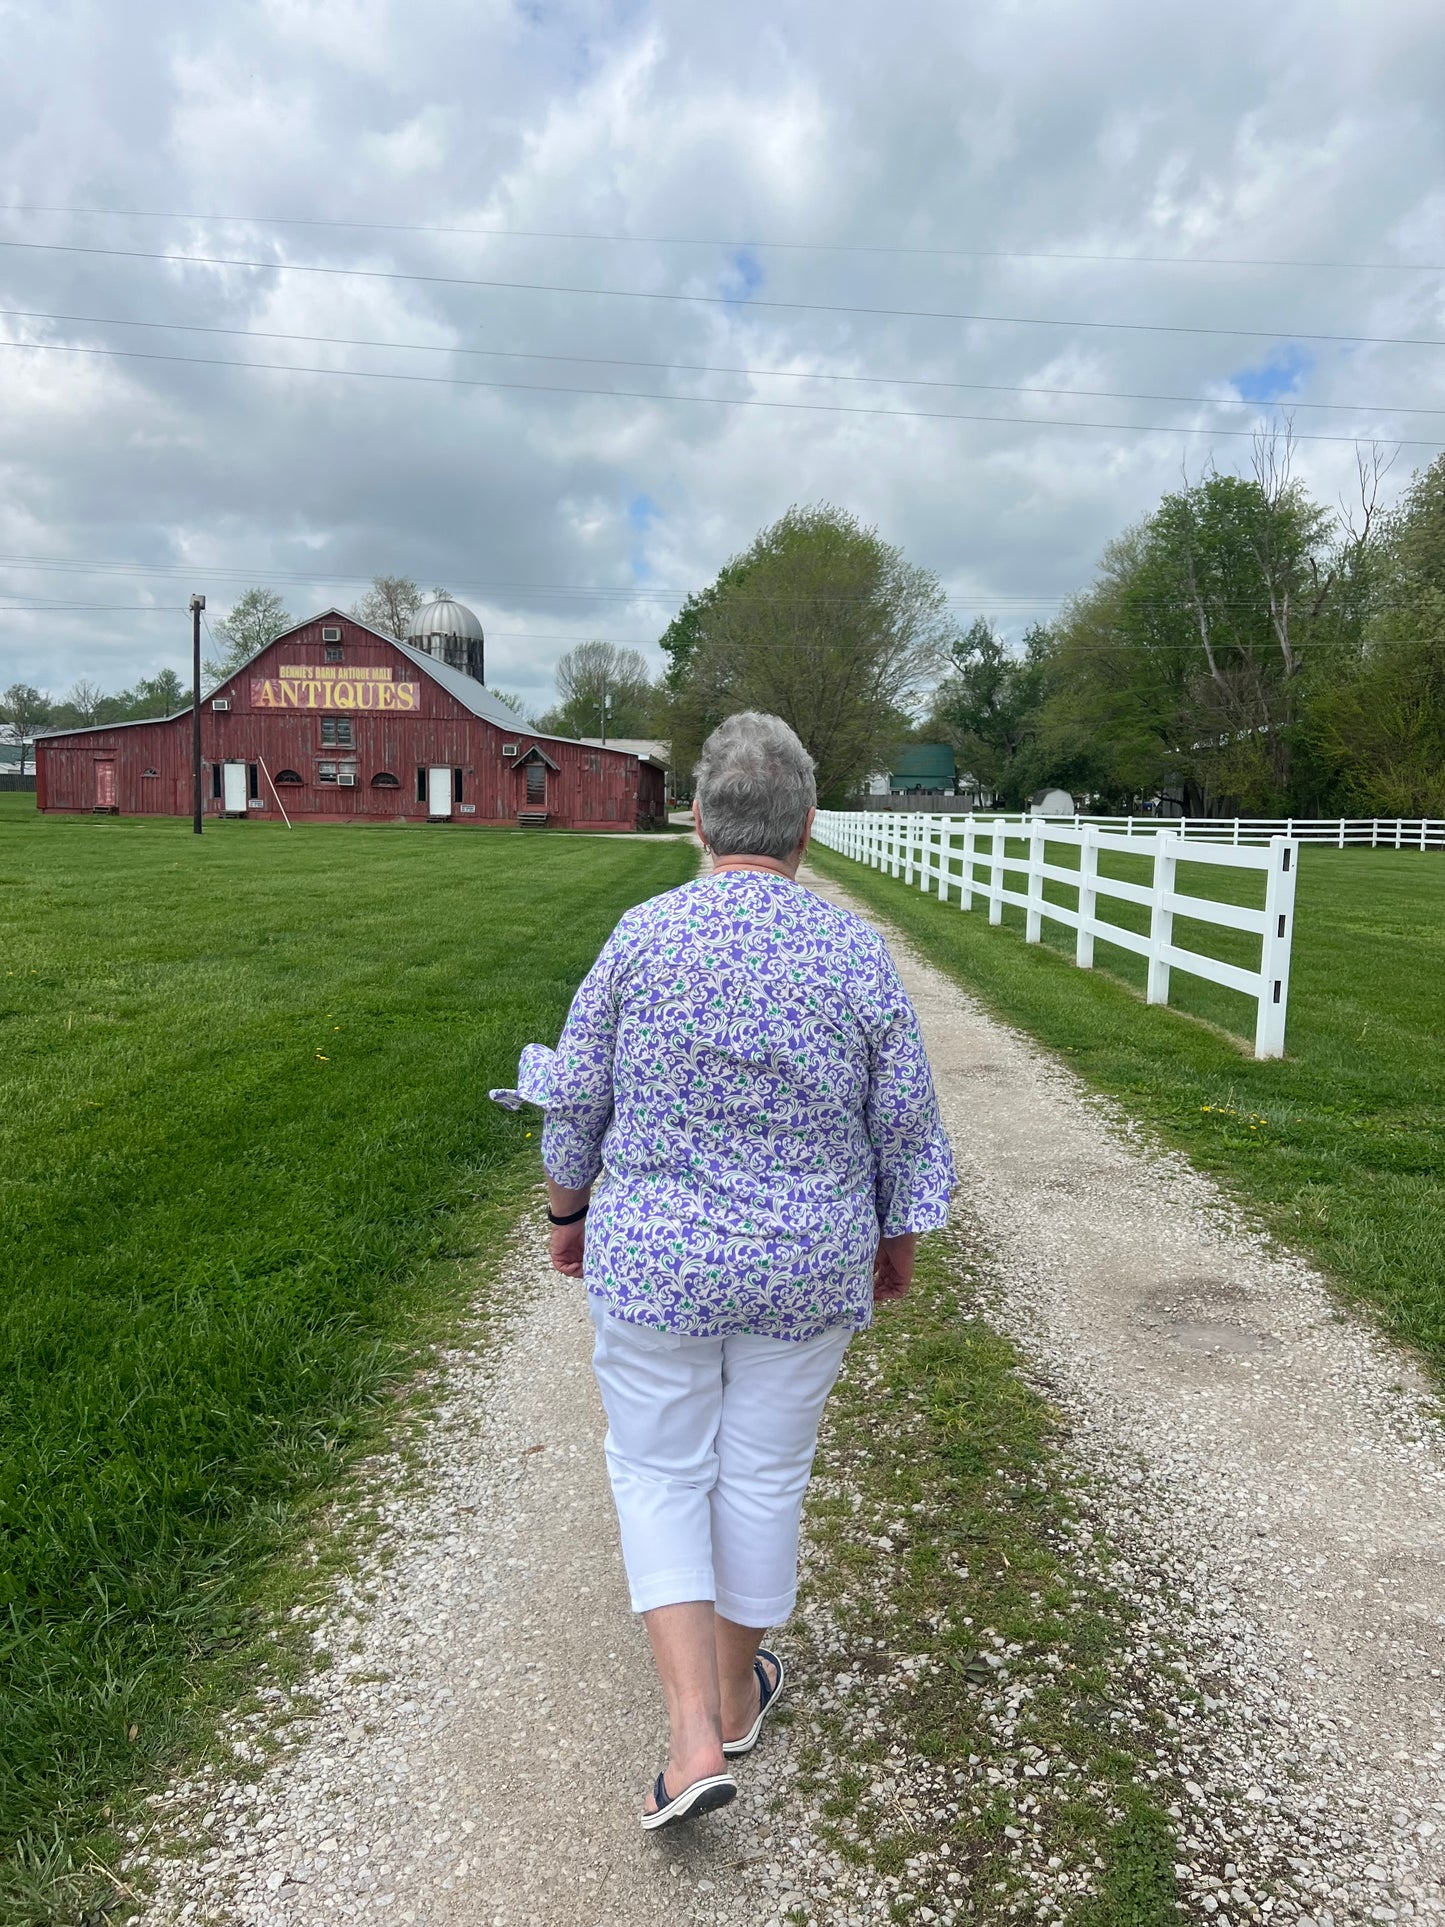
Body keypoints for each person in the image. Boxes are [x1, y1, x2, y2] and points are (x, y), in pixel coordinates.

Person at [491, 711, 954, 1830]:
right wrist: (893, 1240)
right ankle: (738, 1691)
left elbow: (578, 1100)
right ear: (803, 828)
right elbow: (901, 1120)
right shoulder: (851, 953)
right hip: (805, 1267)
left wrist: (568, 1210)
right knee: (761, 1473)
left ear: (697, 820)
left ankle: (691, 1732)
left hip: (654, 1264)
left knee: (659, 1472)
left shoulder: (642, 936)